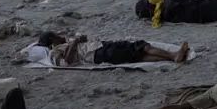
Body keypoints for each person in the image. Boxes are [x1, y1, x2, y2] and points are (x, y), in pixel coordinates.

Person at [29, 32, 189, 66]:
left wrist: (80, 39)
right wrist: (75, 42)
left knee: (137, 56)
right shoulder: (55, 51)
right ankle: (173, 55)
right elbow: (66, 62)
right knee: (140, 46)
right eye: (56, 35)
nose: (60, 35)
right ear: (52, 41)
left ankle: (171, 58)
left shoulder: (66, 42)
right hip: (97, 53)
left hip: (101, 48)